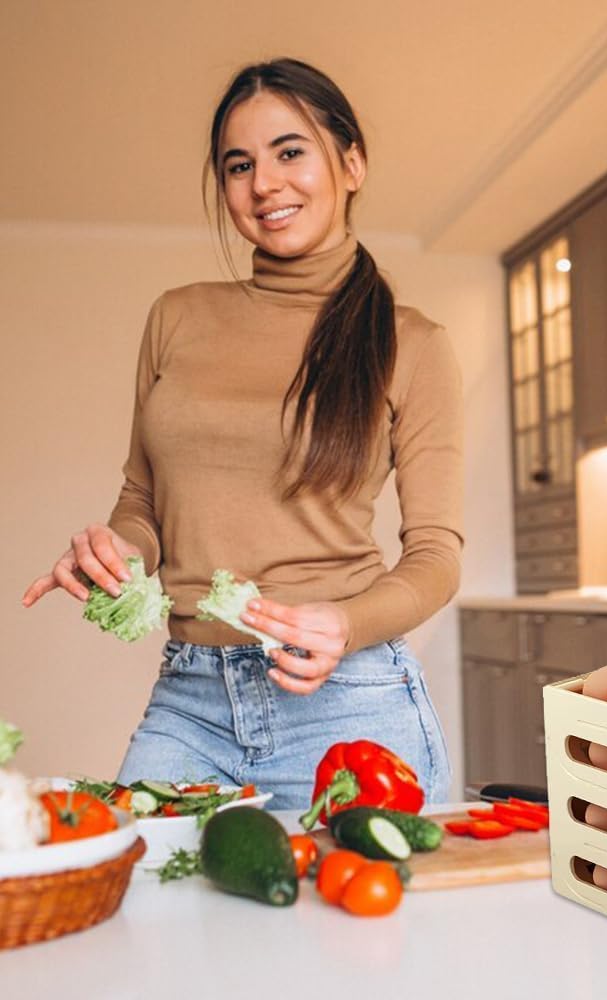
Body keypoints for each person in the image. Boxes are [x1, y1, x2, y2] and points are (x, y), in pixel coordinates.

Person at [21, 58, 462, 810]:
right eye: (238, 165)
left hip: (348, 698)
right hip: (191, 696)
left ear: (350, 162)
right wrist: (122, 552)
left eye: (290, 151)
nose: (264, 184)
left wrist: (344, 624)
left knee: (360, 925)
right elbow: (142, 497)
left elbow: (436, 556)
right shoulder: (176, 317)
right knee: (141, 903)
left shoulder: (411, 343)